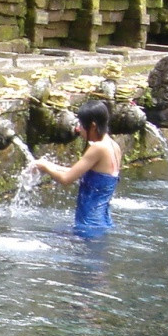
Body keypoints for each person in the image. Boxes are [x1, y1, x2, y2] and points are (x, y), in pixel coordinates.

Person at [32, 99, 122, 237]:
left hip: (88, 225)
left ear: (92, 126)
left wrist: (45, 166)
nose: (78, 129)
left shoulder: (97, 148)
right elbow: (78, 172)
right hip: (102, 222)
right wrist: (47, 165)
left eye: (81, 124)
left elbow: (66, 179)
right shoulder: (113, 146)